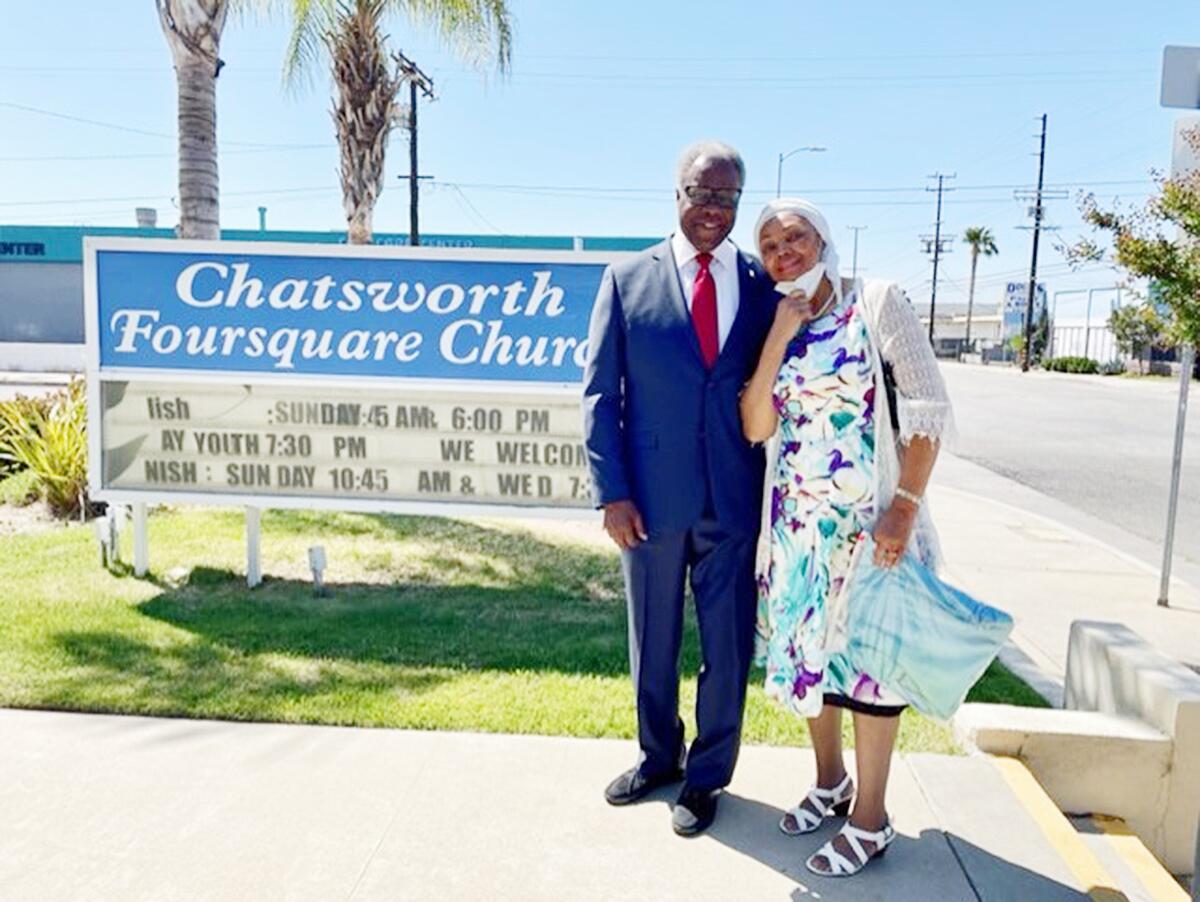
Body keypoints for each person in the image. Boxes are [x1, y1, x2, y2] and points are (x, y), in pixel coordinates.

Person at [739, 198, 953, 877]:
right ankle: (830, 781)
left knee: (870, 668)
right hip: (799, 535)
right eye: (769, 245)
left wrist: (905, 508)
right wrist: (777, 335)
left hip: (870, 532)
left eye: (795, 237)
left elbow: (928, 410)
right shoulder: (779, 322)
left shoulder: (878, 302)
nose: (783, 253)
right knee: (815, 662)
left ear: (823, 240)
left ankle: (872, 817)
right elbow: (755, 427)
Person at [582, 141, 776, 836]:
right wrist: (612, 492)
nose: (714, 211)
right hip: (650, 503)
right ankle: (657, 756)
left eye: (727, 198)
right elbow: (601, 395)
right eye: (702, 194)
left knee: (727, 648)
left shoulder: (761, 287)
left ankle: (706, 777)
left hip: (733, 499)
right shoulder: (626, 278)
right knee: (652, 640)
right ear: (677, 193)